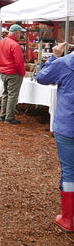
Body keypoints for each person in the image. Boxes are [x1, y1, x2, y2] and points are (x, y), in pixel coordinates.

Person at [36, 42, 74, 232]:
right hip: (67, 125)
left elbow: (42, 78)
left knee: (69, 170)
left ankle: (68, 218)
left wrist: (54, 56)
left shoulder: (65, 62)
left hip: (68, 125)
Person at [0, 24, 26, 124]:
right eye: (20, 32)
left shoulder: (2, 42)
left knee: (5, 93)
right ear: (16, 32)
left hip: (4, 71)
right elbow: (19, 61)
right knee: (12, 95)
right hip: (13, 72)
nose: (21, 34)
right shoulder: (15, 45)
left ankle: (3, 114)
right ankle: (9, 117)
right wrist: (22, 72)